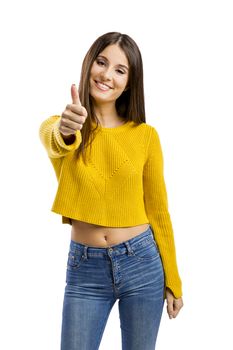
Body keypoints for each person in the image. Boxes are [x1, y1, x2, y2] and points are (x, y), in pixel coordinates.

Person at [39, 31, 184, 350]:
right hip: (85, 268)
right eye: (101, 62)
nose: (106, 74)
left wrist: (173, 279)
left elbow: (159, 211)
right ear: (89, 64)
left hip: (142, 262)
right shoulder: (64, 126)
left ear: (130, 83)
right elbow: (55, 138)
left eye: (120, 70)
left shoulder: (146, 136)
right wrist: (67, 128)